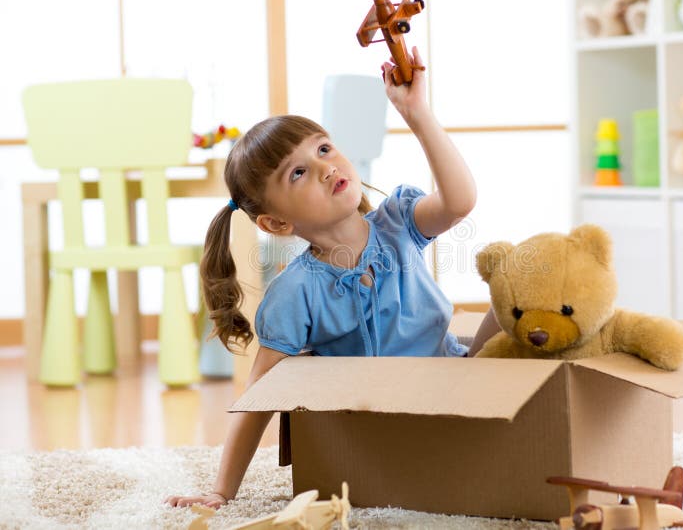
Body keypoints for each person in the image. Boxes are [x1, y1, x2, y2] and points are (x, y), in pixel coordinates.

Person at [165, 47, 500, 509]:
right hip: (380, 427)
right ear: (277, 224)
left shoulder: (398, 223)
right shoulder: (296, 292)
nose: (326, 168)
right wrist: (221, 491)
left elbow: (459, 200)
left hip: (455, 386)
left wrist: (416, 113)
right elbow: (260, 396)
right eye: (299, 173)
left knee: (510, 294)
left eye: (324, 149)